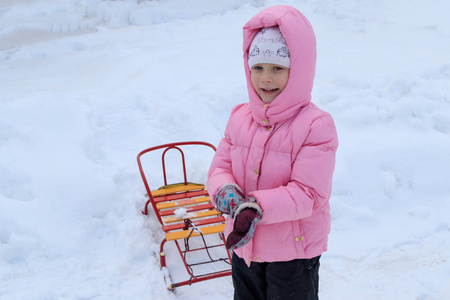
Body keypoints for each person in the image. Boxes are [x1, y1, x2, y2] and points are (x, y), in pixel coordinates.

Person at [207, 5, 338, 300]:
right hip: (245, 249)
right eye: (258, 68)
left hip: (293, 254)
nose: (266, 78)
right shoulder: (240, 116)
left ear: (299, 69)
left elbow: (309, 194)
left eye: (277, 68)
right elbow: (219, 168)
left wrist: (255, 208)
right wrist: (226, 192)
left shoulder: (316, 125)